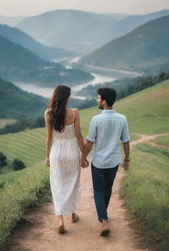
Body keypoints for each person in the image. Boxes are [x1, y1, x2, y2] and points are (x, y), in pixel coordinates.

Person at [81, 87, 130, 237]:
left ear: (103, 101)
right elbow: (126, 141)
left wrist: (83, 157)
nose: (97, 100)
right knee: (107, 189)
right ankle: (104, 216)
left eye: (98, 98)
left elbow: (89, 142)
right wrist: (127, 159)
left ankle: (103, 220)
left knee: (98, 190)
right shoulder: (122, 118)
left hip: (99, 163)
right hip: (113, 162)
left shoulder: (96, 119)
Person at [44, 85, 87, 234]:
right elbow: (79, 136)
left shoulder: (49, 113)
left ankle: (61, 220)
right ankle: (73, 215)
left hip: (57, 151)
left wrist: (47, 157)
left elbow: (49, 137)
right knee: (72, 183)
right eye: (70, 95)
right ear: (66, 97)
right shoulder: (74, 112)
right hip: (72, 151)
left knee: (58, 185)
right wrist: (84, 156)